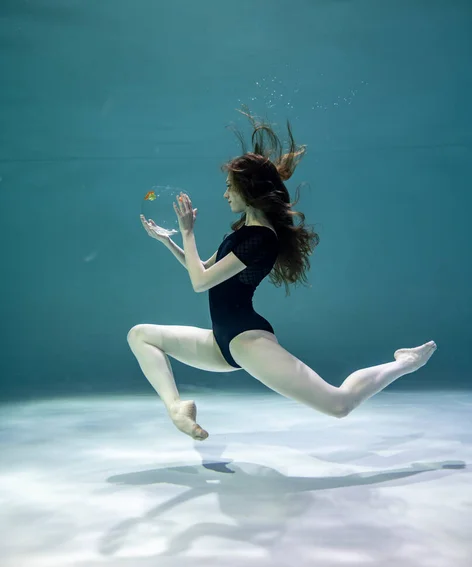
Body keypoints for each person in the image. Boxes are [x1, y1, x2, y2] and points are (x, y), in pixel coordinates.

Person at [129, 108, 437, 441]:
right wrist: (168, 242)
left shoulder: (261, 238)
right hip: (220, 340)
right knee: (140, 335)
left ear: (248, 190)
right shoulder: (242, 232)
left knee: (338, 404)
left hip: (247, 340)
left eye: (229, 187)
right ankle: (177, 408)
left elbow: (199, 283)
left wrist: (187, 232)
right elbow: (202, 270)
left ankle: (406, 362)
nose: (224, 194)